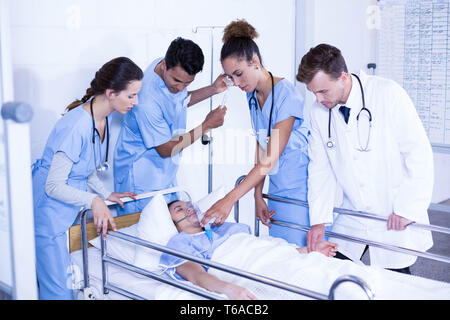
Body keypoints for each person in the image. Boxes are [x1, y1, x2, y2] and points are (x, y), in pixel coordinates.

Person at [296, 44, 434, 274]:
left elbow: (418, 152)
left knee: (396, 280)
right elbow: (320, 168)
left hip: (392, 209)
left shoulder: (387, 93)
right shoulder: (319, 112)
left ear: (343, 77)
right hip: (354, 213)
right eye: (313, 93)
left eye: (323, 92)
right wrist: (319, 220)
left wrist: (408, 207)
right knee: (335, 272)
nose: (318, 99)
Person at [32, 57, 143, 300]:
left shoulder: (103, 118)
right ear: (111, 93)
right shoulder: (76, 126)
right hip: (48, 215)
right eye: (131, 96)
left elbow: (85, 168)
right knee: (58, 292)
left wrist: (105, 195)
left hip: (65, 212)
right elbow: (53, 186)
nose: (136, 102)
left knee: (69, 287)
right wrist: (94, 200)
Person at [199, 19, 311, 247]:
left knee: (303, 259)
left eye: (239, 74)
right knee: (282, 256)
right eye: (231, 77)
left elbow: (269, 160)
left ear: (255, 62)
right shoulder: (252, 97)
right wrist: (257, 195)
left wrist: (229, 199)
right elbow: (261, 146)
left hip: (302, 192)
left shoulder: (286, 95)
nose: (237, 83)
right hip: (278, 190)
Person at [113, 37, 228, 215]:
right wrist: (206, 125)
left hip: (163, 172)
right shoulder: (147, 101)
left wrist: (213, 89)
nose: (181, 88)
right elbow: (165, 149)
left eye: (187, 83)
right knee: (143, 235)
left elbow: (179, 101)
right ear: (164, 65)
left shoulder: (169, 70)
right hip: (140, 178)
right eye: (177, 81)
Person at [160, 200, 338, 300]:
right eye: (179, 209)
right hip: (248, 267)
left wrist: (307, 250)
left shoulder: (221, 227)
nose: (188, 209)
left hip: (275, 258)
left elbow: (266, 250)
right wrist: (229, 289)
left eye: (188, 205)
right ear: (171, 222)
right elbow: (196, 276)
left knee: (329, 275)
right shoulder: (179, 243)